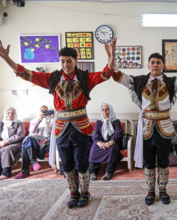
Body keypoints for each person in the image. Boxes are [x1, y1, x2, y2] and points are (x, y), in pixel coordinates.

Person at [0, 38, 116, 208]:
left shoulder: (85, 78)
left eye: (69, 61)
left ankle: (85, 193)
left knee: (81, 163)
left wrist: (111, 56)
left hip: (82, 129)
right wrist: (6, 58)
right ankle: (73, 193)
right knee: (67, 164)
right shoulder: (53, 78)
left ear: (76, 61)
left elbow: (106, 74)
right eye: (63, 61)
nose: (66, 65)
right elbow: (26, 73)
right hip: (61, 129)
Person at [112, 38, 177, 205]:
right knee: (149, 162)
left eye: (158, 62)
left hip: (164, 127)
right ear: (148, 65)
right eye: (153, 62)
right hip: (146, 127)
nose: (155, 65)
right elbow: (117, 76)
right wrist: (112, 54)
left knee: (164, 161)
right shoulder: (139, 82)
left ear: (163, 66)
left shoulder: (171, 82)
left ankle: (163, 190)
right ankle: (150, 191)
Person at [14, 105, 54, 179]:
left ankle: (25, 171)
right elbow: (32, 131)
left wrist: (53, 118)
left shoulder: (50, 121)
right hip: (34, 143)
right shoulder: (34, 121)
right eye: (42, 110)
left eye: (46, 111)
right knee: (29, 139)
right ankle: (33, 162)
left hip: (45, 144)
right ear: (39, 112)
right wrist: (39, 119)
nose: (44, 112)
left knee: (26, 143)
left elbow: (51, 134)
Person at [89, 103, 123, 181]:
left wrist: (111, 142)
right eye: (103, 109)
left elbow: (118, 133)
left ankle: (109, 172)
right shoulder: (99, 121)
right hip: (101, 142)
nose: (105, 111)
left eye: (107, 109)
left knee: (112, 150)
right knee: (93, 150)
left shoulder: (116, 121)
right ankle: (92, 172)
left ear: (110, 111)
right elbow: (95, 133)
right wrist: (100, 143)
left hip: (113, 142)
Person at [0, 107, 25, 180]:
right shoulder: (1, 124)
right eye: (8, 113)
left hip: (15, 143)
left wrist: (7, 141)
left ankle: (6, 172)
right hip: (2, 143)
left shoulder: (19, 123)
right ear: (5, 114)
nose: (10, 114)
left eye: (12, 113)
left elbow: (20, 135)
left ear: (15, 115)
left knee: (7, 149)